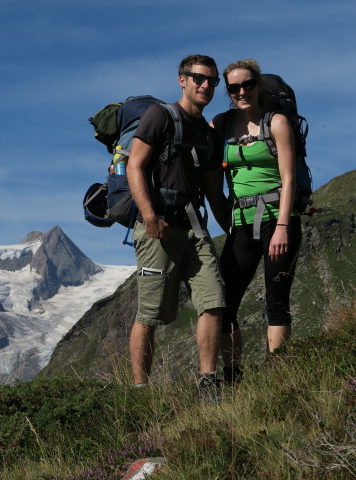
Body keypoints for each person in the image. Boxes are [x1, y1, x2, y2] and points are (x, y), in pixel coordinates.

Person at [126, 54, 226, 402]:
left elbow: (214, 190)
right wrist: (150, 216)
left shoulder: (209, 134)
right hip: (159, 228)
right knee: (150, 313)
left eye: (212, 81)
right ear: (182, 80)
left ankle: (208, 383)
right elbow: (134, 165)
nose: (205, 86)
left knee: (213, 301)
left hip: (195, 229)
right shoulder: (160, 116)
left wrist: (233, 229)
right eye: (198, 78)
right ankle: (141, 392)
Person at [211, 59, 302, 384]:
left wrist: (281, 227)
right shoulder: (222, 124)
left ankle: (279, 380)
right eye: (233, 88)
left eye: (247, 84)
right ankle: (233, 377)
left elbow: (288, 179)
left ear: (258, 84)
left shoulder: (276, 122)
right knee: (223, 303)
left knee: (276, 301)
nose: (241, 92)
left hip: (278, 218)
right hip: (241, 222)